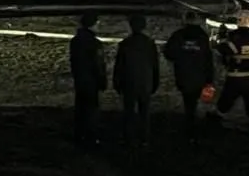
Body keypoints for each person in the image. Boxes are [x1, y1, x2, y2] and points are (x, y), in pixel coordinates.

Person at [162, 10, 215, 140]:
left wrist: (181, 57)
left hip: (183, 74)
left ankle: (190, 126)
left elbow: (169, 53)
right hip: (200, 75)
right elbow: (208, 58)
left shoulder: (178, 35)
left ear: (185, 20)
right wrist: (209, 78)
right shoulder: (202, 36)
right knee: (195, 101)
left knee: (188, 101)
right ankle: (195, 128)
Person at [210, 9, 249, 135]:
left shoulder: (237, 37)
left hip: (235, 77)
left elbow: (224, 50)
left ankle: (212, 126)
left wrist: (221, 38)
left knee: (224, 104)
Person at [112, 14, 159, 147]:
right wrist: (155, 82)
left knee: (129, 112)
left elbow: (119, 66)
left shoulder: (125, 44)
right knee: (144, 112)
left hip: (129, 82)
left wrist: (117, 83)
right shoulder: (150, 44)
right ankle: (144, 138)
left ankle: (129, 137)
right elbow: (155, 65)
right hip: (145, 82)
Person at [69, 12, 107, 147]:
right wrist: (102, 80)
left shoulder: (75, 42)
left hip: (80, 79)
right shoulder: (95, 44)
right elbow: (98, 64)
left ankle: (79, 135)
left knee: (80, 108)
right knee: (91, 109)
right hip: (92, 81)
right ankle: (91, 137)